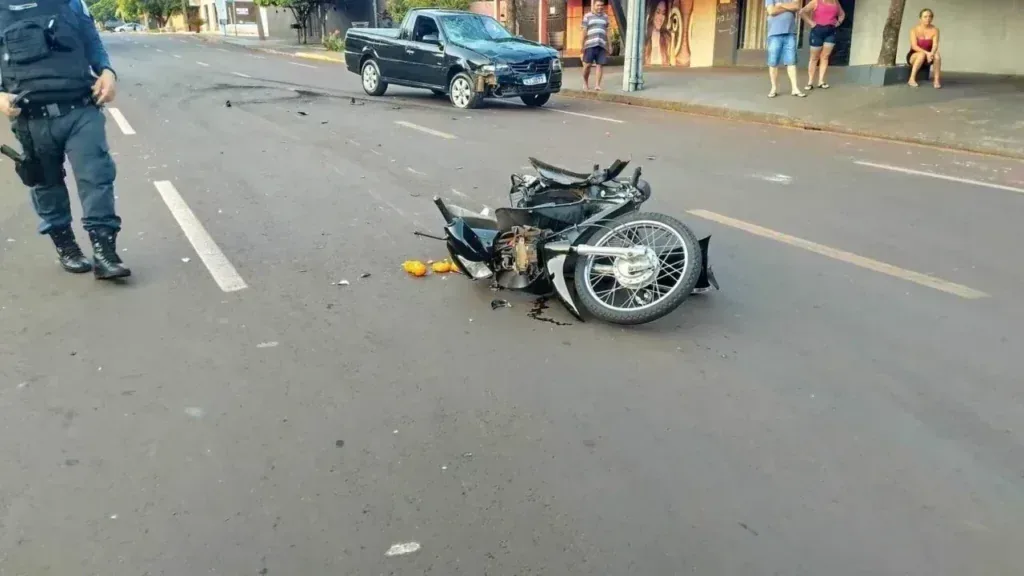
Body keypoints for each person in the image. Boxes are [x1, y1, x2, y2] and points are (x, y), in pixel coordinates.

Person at [0, 0, 130, 279]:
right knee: (46, 183)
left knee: (96, 177)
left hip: (80, 108)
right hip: (30, 117)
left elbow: (92, 41)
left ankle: (104, 250)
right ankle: (66, 245)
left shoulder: (71, 2)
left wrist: (107, 71)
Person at [765, 0, 806, 98]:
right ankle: (773, 88)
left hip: (790, 33)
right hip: (774, 34)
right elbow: (771, 11)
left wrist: (780, 5)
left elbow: (796, 6)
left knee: (791, 62)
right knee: (773, 62)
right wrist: (788, 7)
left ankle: (795, 88)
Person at [800, 0, 844, 90]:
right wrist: (811, 23)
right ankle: (810, 82)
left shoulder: (836, 2)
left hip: (831, 32)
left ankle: (821, 81)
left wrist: (838, 22)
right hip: (817, 32)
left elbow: (842, 14)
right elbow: (802, 12)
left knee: (825, 56)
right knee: (814, 58)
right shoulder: (816, 2)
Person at [907, 8, 941, 88]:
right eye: (925, 17)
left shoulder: (935, 30)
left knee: (937, 56)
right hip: (915, 55)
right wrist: (927, 53)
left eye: (930, 16)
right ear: (920, 18)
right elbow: (914, 46)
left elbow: (935, 45)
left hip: (929, 55)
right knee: (921, 54)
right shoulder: (914, 30)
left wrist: (931, 53)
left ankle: (936, 80)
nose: (928, 19)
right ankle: (911, 79)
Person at [581, 0, 610, 91]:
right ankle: (585, 83)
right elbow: (584, 31)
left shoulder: (605, 17)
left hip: (601, 44)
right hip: (590, 44)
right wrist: (582, 45)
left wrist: (610, 45)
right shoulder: (587, 16)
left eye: (602, 5)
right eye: (598, 5)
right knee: (587, 65)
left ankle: (597, 85)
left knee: (600, 65)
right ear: (594, 6)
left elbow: (608, 32)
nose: (600, 7)